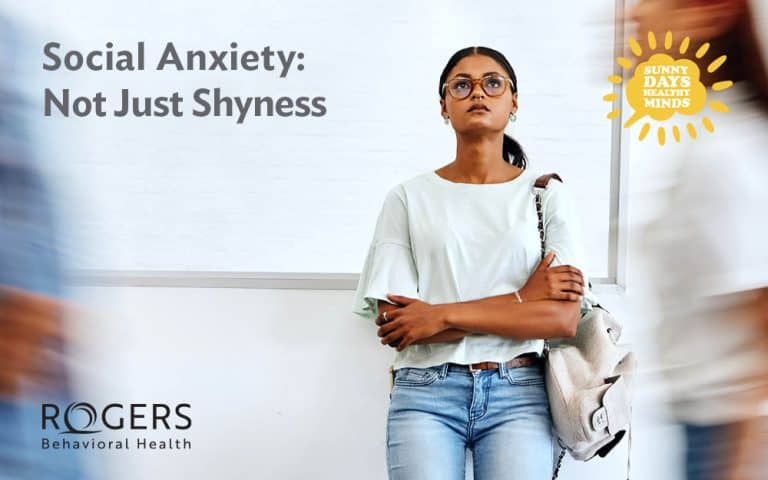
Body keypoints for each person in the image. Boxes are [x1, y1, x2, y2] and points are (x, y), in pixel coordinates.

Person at [352, 46, 597, 480]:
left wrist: (440, 315)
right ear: (444, 105)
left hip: (519, 393)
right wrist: (523, 301)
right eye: (462, 85)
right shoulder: (408, 198)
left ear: (513, 101)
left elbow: (560, 318)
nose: (477, 93)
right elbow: (399, 324)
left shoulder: (546, 195)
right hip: (425, 393)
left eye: (493, 83)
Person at [633, 0, 768, 479]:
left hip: (725, 436)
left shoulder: (725, 151)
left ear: (709, 13)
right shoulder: (709, 137)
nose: (636, 15)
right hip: (700, 423)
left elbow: (762, 319)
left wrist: (737, 466)